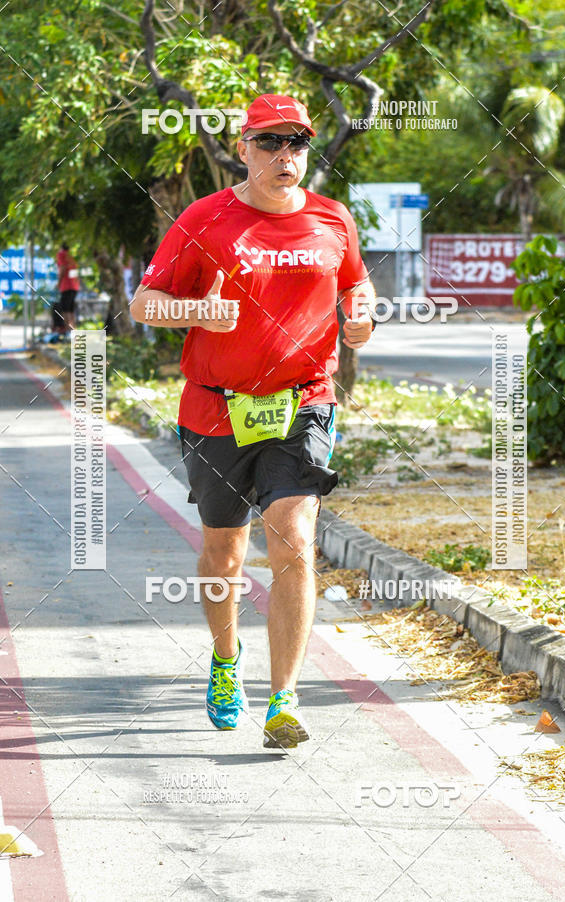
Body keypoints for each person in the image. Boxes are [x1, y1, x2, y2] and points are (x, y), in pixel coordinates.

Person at [130, 93, 375, 749]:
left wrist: (362, 317)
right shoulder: (205, 220)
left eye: (296, 142)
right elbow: (145, 302)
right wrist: (196, 315)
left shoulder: (333, 218)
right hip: (216, 406)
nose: (284, 155)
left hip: (304, 401)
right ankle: (226, 660)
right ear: (242, 149)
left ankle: (284, 699)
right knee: (224, 552)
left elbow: (355, 283)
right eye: (269, 142)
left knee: (293, 536)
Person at [55, 242, 80, 332]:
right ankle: (73, 329)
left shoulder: (61, 254)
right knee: (71, 309)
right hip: (74, 286)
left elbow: (63, 268)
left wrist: (59, 282)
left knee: (65, 309)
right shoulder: (72, 255)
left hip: (66, 286)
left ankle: (68, 330)